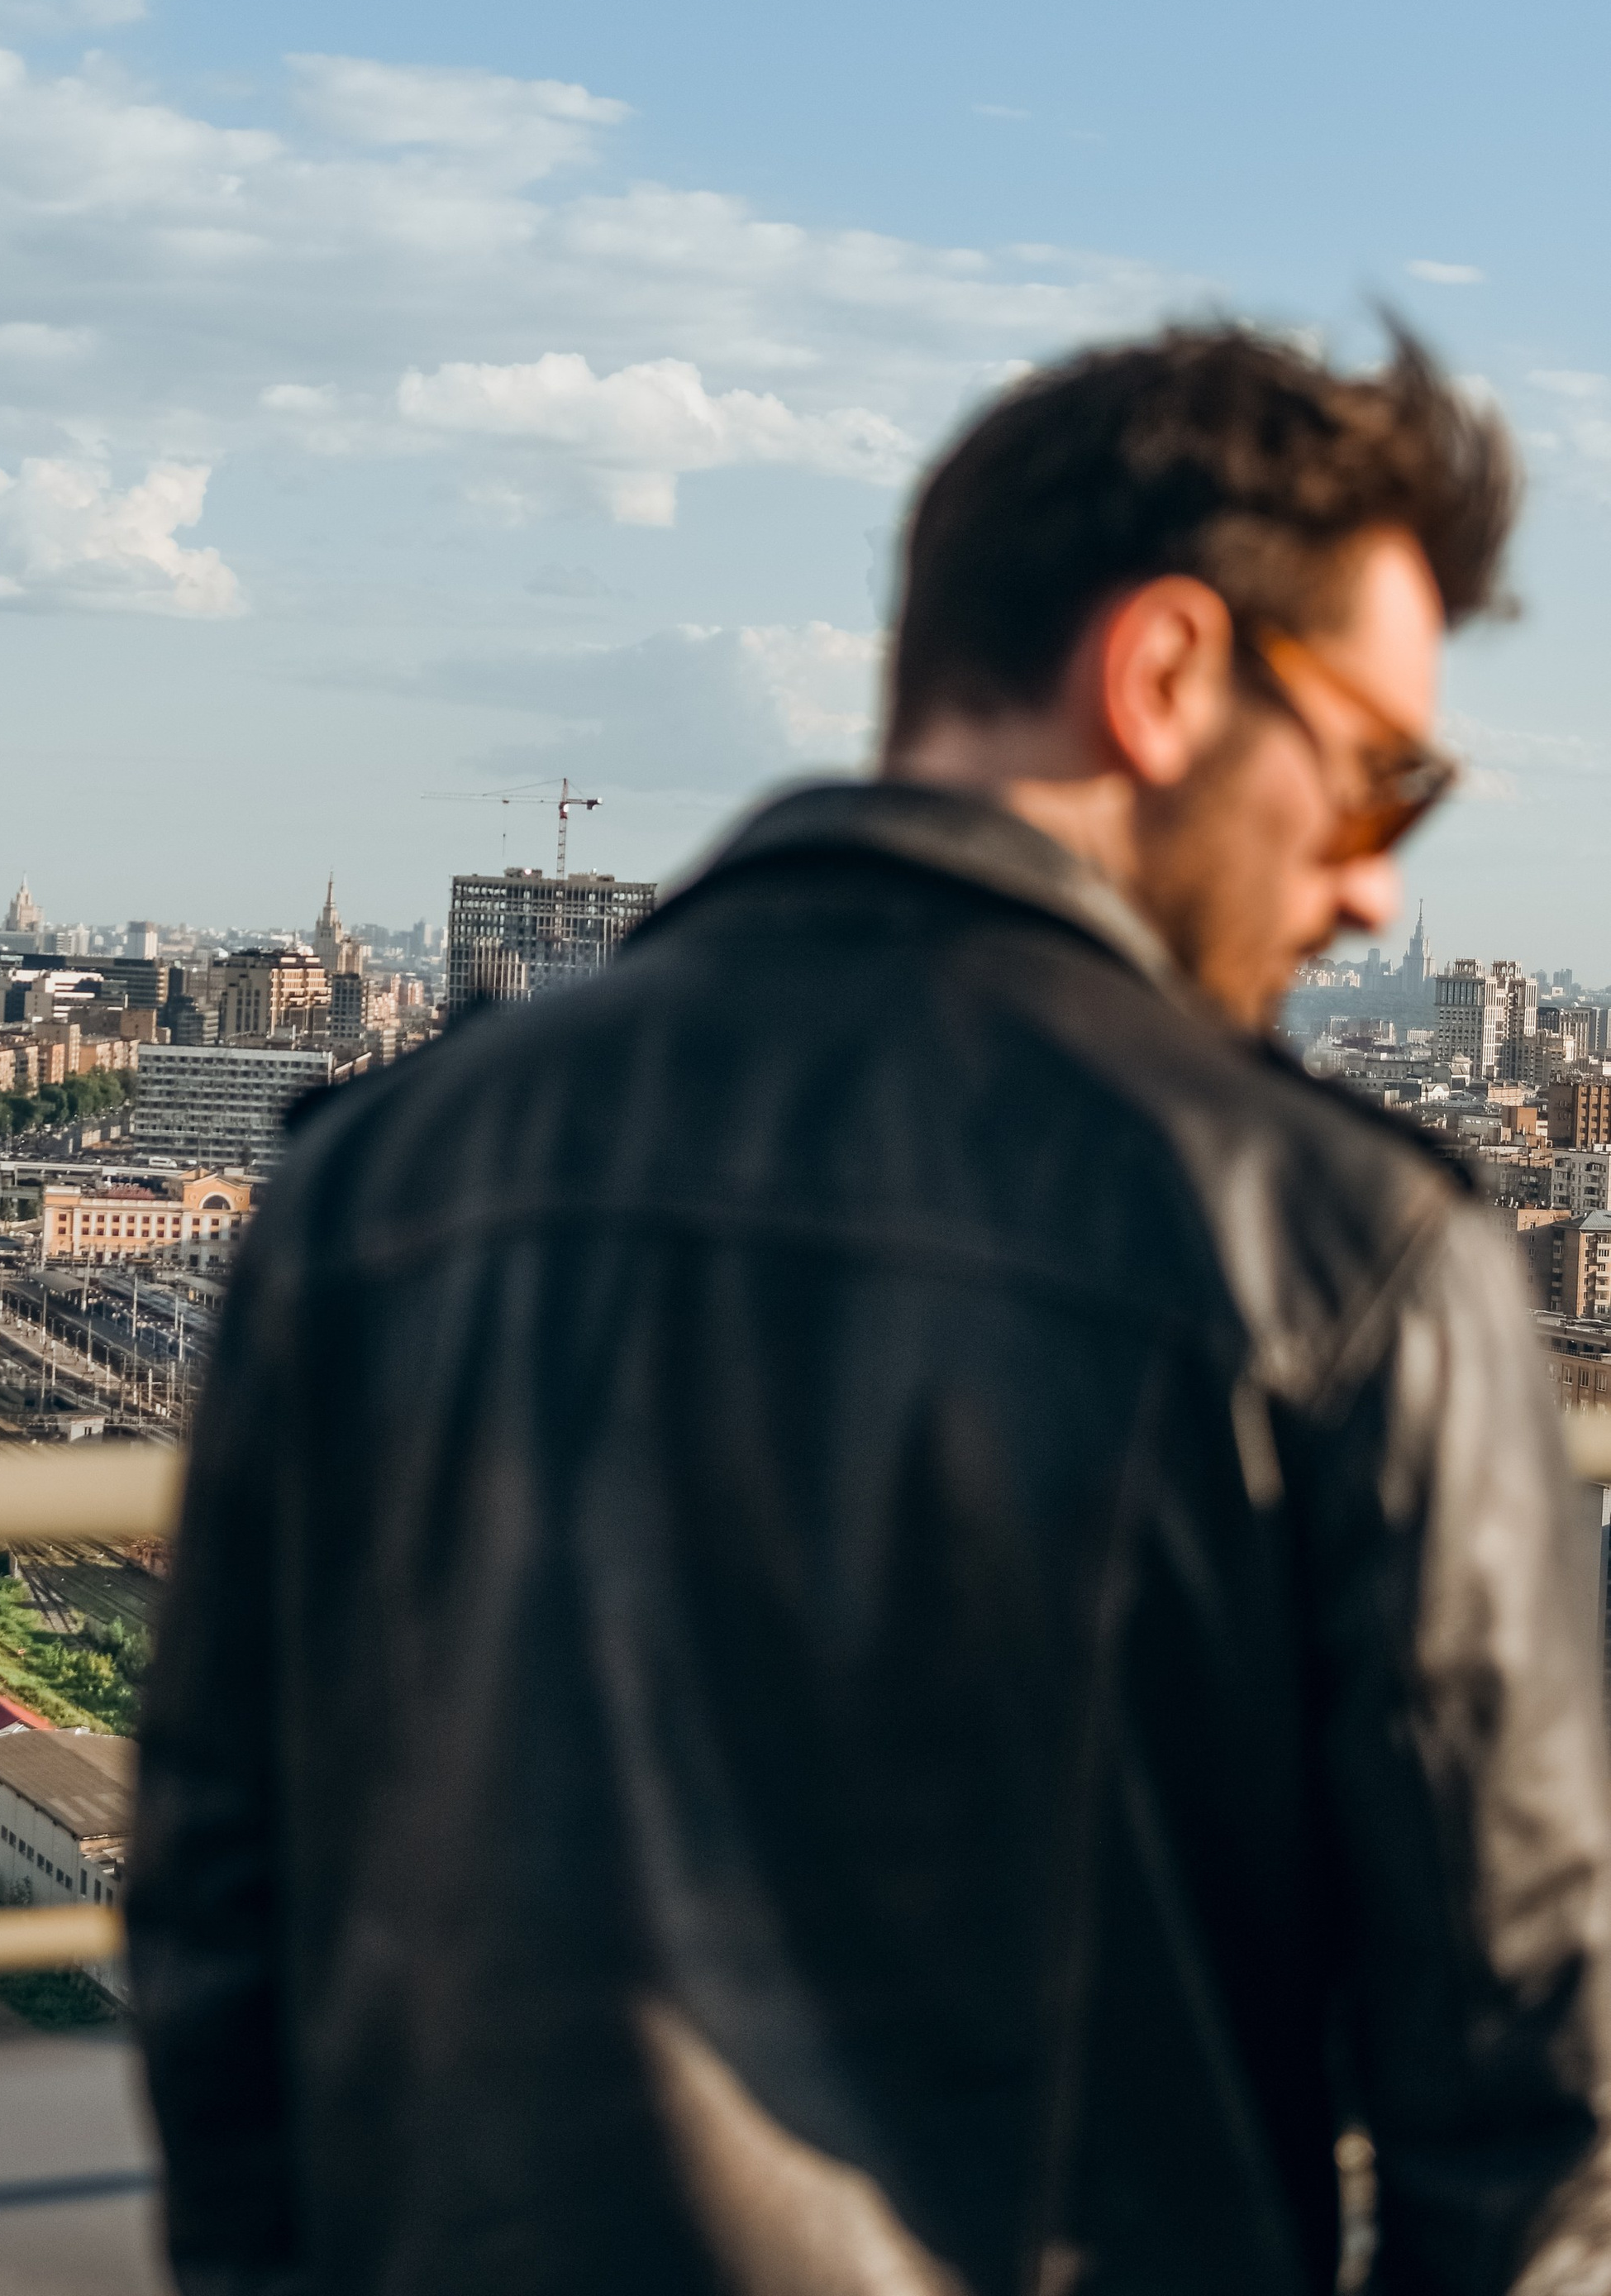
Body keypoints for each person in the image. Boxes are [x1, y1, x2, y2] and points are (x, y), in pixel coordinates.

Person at [129, 324, 1611, 2296]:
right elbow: (1525, 2098)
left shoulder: (383, 1178)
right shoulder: (1343, 1254)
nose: (1363, 895)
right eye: (1371, 781)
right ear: (1164, 675)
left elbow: (221, 1916)